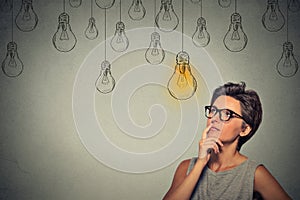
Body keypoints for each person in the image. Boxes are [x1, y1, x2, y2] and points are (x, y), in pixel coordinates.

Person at [163, 82, 291, 200]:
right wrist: (200, 163)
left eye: (226, 114)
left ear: (244, 129)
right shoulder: (186, 167)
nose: (214, 119)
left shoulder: (254, 174)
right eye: (213, 111)